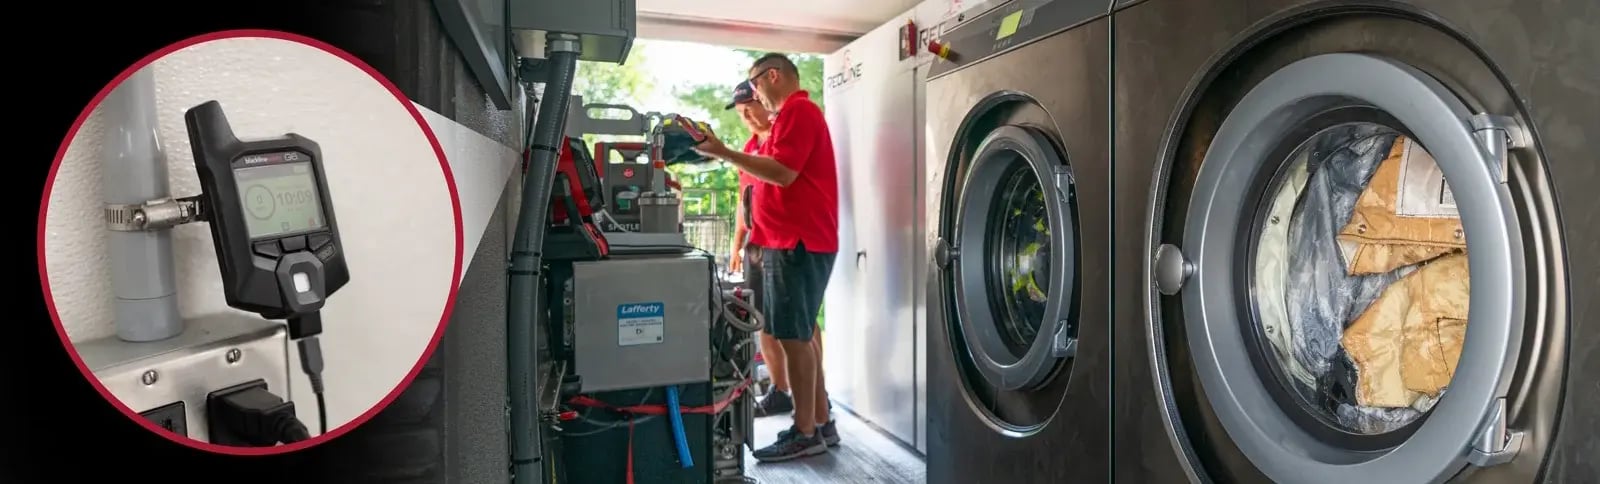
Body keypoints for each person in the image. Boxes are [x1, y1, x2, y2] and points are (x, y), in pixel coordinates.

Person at [695, 53, 839, 462]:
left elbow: (782, 173)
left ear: (772, 76)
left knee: (795, 339)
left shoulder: (799, 111)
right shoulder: (788, 119)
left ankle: (805, 431)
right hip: (787, 241)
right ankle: (822, 422)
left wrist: (722, 151)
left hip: (798, 242)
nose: (755, 93)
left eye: (756, 85)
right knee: (801, 335)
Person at [724, 81, 827, 420]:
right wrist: (736, 245)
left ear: (766, 102)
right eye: (741, 113)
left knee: (802, 322)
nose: (748, 117)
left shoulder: (787, 141)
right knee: (764, 322)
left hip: (790, 243)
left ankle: (813, 399)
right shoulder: (750, 148)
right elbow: (745, 202)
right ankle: (780, 390)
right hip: (758, 243)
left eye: (751, 107)